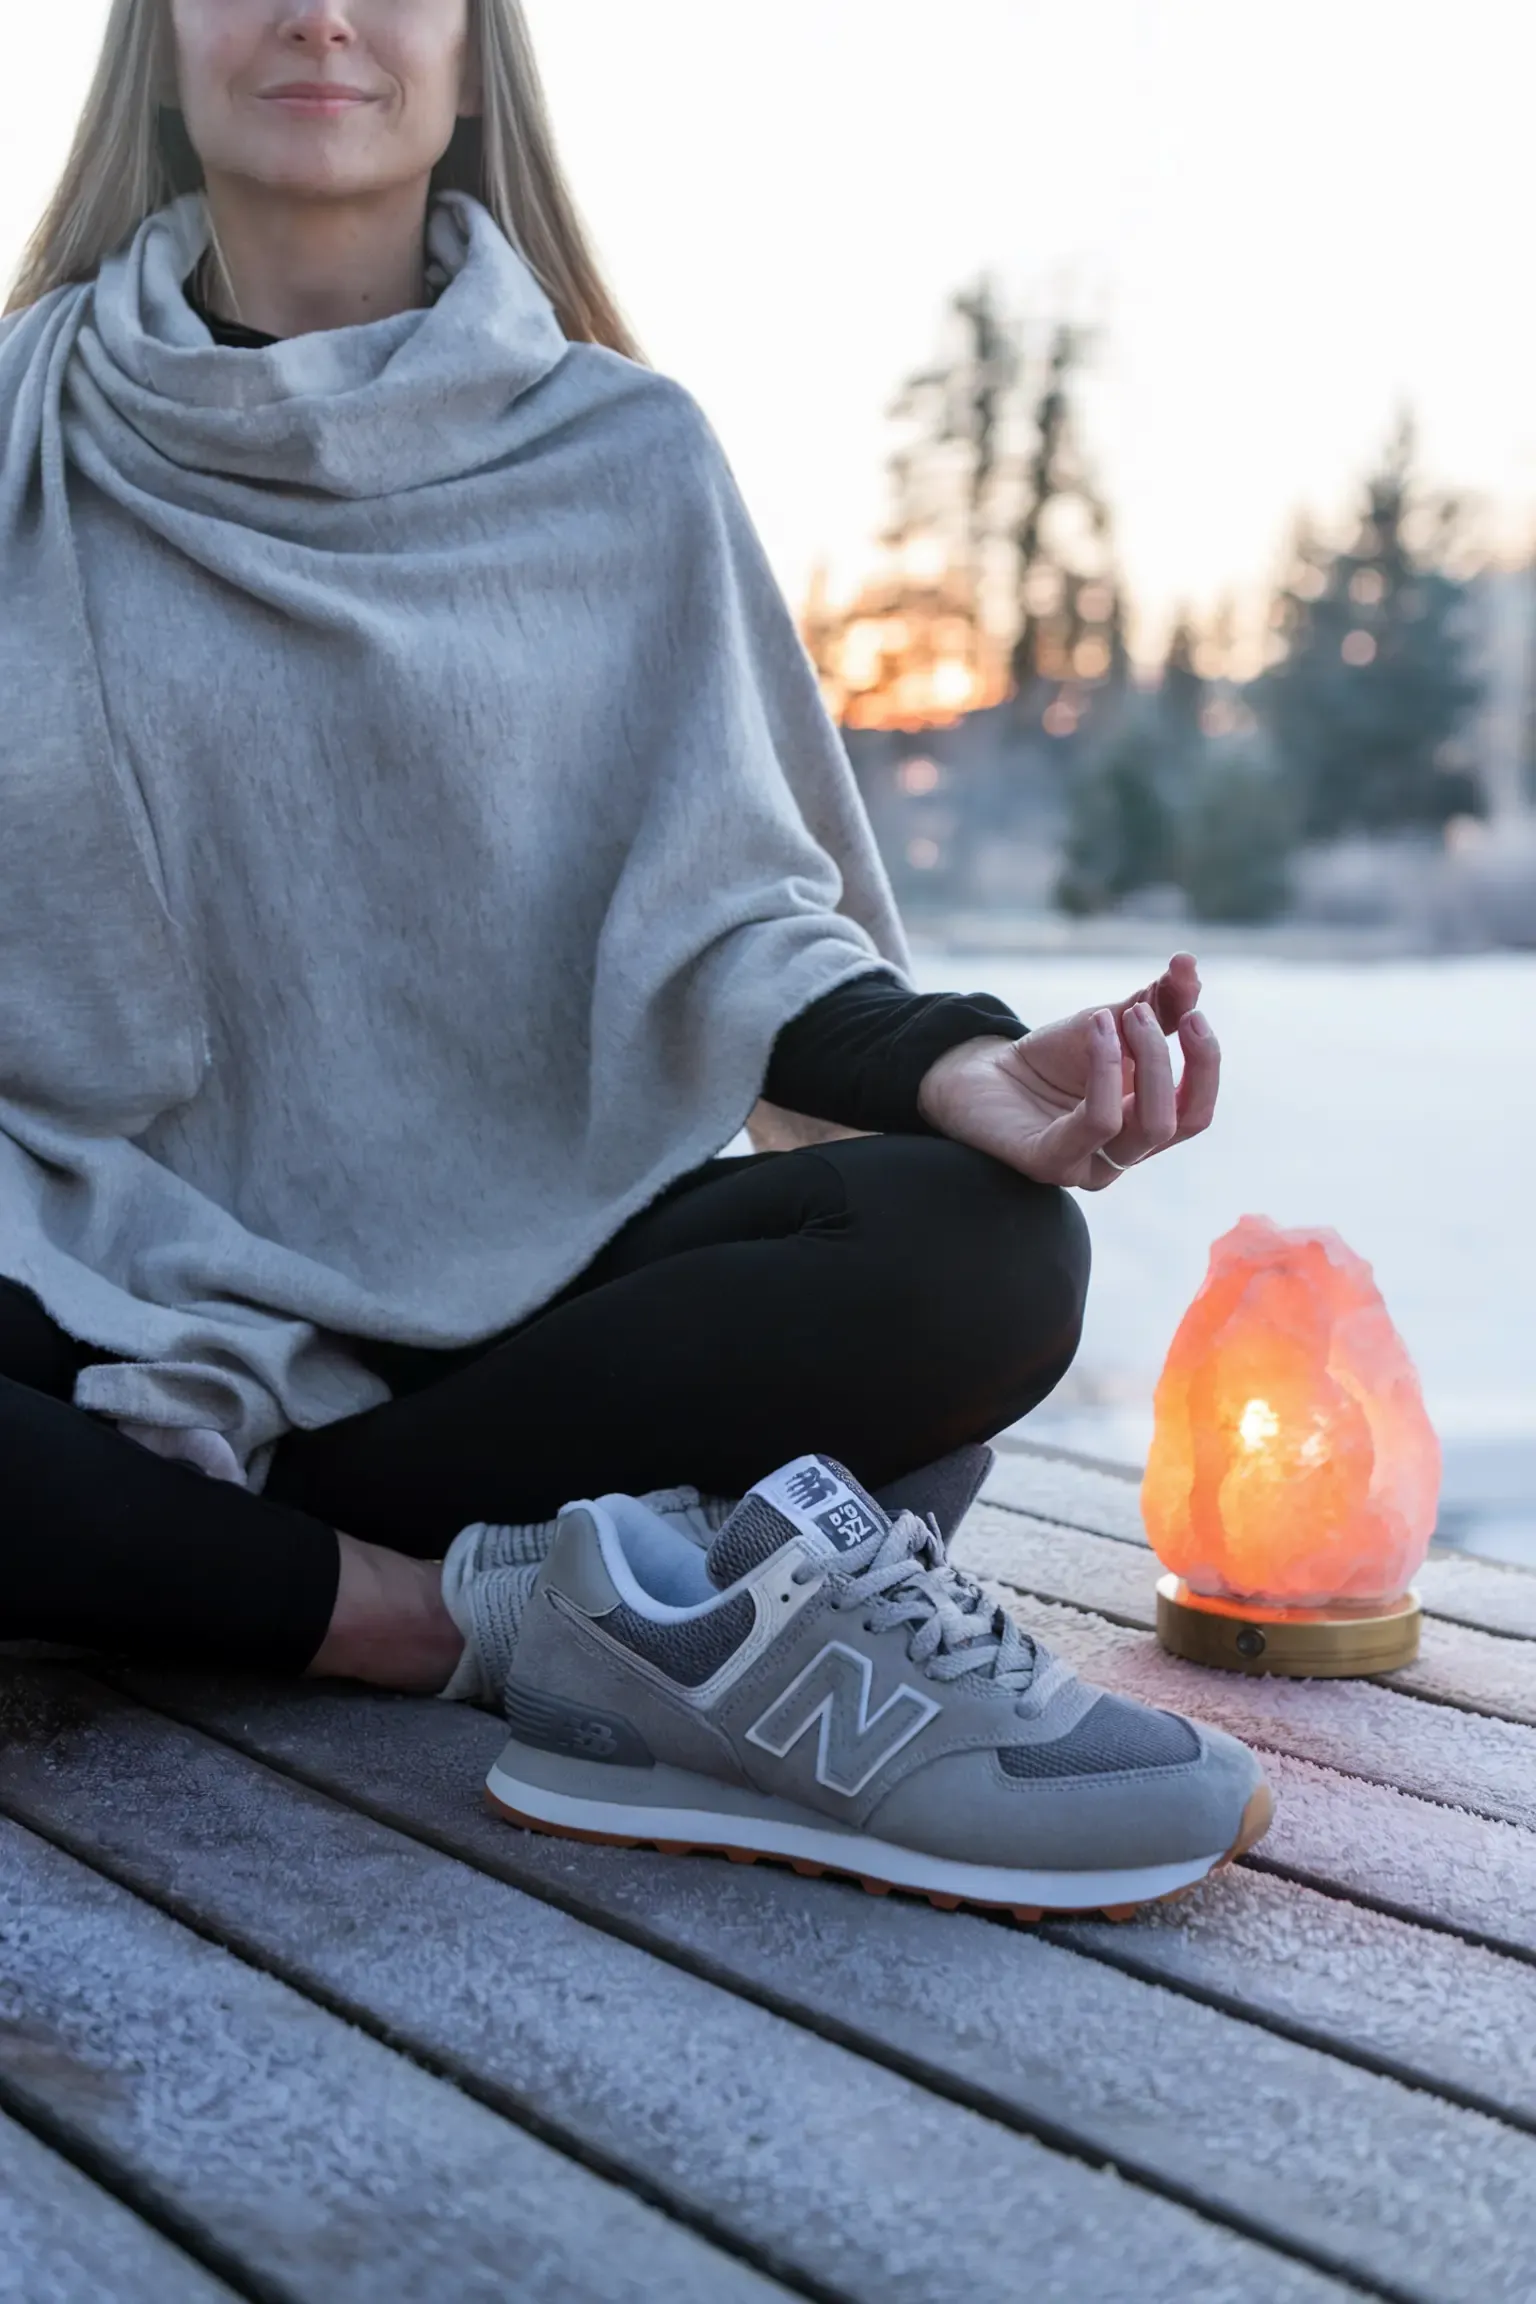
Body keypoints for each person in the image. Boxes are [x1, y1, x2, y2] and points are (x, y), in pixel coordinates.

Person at [0, 0, 1267, 1918]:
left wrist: (944, 1069)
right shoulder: (21, 432)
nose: (323, 14)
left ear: (473, 52)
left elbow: (725, 904)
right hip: (95, 1268)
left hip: (517, 1323)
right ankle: (464, 1618)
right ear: (156, 42)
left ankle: (150, 1554)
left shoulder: (622, 451)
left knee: (981, 1250)